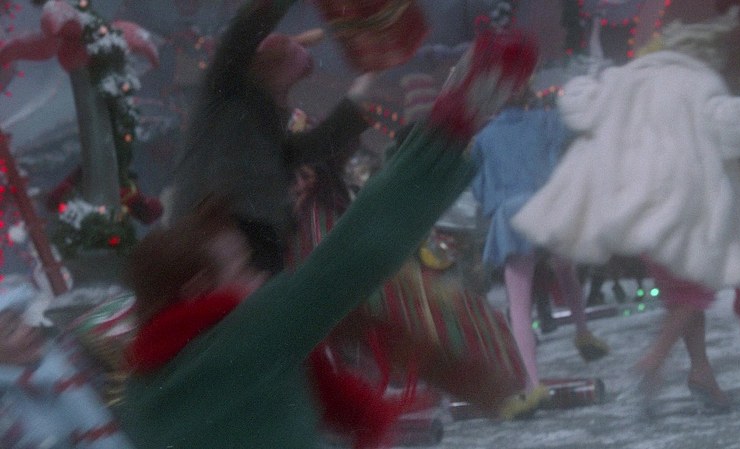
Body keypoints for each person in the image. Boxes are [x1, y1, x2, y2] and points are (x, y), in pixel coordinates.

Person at [117, 19, 539, 449]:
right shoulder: (248, 338)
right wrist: (451, 125)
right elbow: (352, 257)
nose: (259, 277)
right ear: (196, 288)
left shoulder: (141, 393)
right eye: (240, 269)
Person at [512, 6, 740, 413]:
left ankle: (702, 373)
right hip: (684, 209)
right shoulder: (701, 84)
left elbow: (581, 106)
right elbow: (732, 127)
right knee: (696, 289)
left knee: (683, 292)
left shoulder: (628, 79)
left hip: (634, 208)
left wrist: (579, 84)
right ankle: (654, 360)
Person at [167, 0, 372, 275]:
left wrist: (363, 93)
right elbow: (245, 29)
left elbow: (316, 145)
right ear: (266, 62)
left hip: (258, 237)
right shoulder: (225, 88)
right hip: (214, 225)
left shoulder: (268, 120)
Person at [469, 84, 609, 420]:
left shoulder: (484, 138)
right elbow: (573, 136)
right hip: (548, 206)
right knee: (565, 268)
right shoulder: (545, 121)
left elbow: (479, 187)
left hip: (512, 214)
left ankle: (533, 384)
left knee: (519, 305)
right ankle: (582, 331)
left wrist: (496, 204)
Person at [0, 281, 137, 449]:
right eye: (10, 330)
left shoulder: (69, 353)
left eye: (22, 319)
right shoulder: (7, 411)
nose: (28, 328)